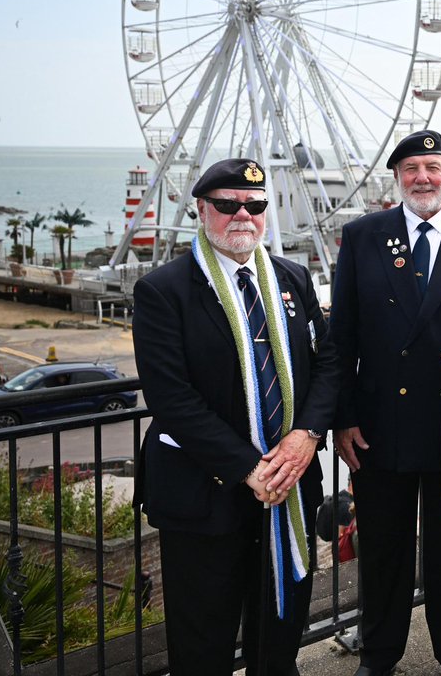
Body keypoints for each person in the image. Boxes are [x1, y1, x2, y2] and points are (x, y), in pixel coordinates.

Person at [133, 158, 339, 676]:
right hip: (205, 493)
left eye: (256, 204)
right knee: (203, 640)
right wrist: (252, 469)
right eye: (227, 205)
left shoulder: (292, 278)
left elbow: (328, 363)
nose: (242, 215)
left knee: (280, 636)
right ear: (202, 210)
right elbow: (171, 398)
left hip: (287, 486)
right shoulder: (165, 291)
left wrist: (306, 436)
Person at [328, 129, 441, 676]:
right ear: (397, 178)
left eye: (432, 167)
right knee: (382, 548)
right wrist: (343, 419)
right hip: (380, 426)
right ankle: (378, 654)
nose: (422, 178)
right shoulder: (363, 236)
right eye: (411, 169)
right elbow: (343, 338)